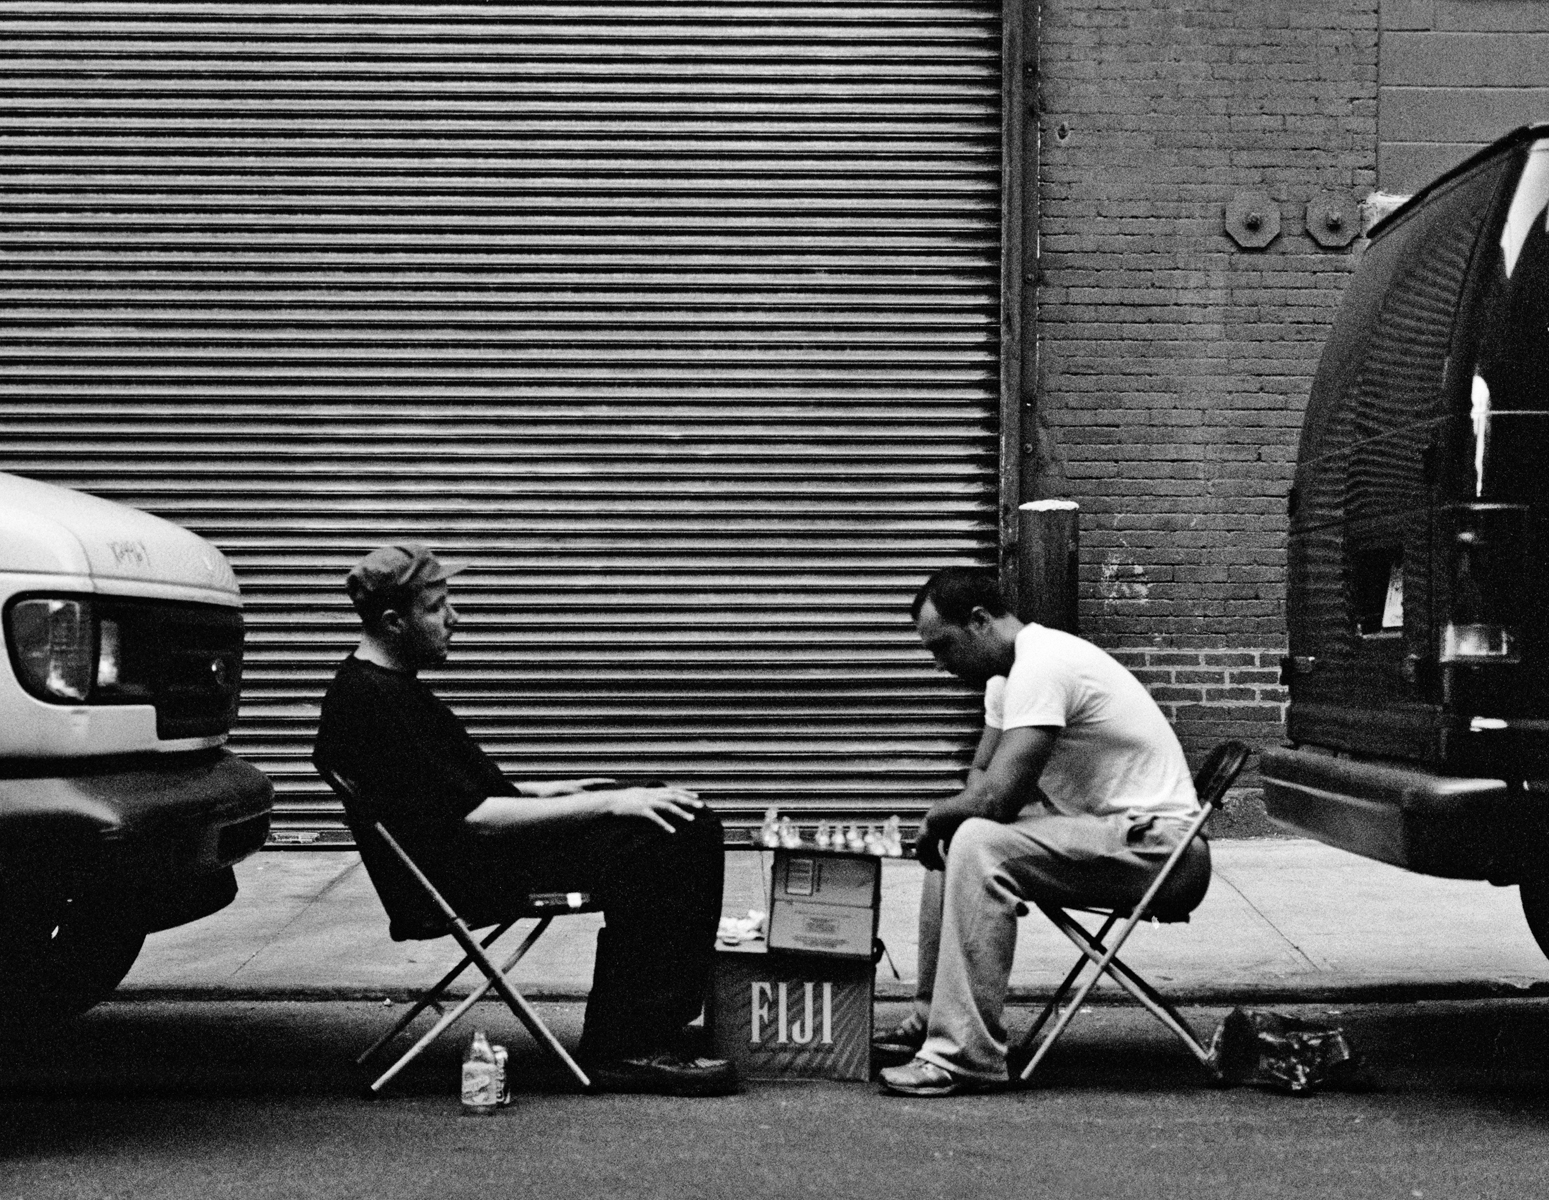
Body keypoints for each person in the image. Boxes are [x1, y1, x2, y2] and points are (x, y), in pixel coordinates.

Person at [311, 542, 737, 1096]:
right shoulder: (377, 704)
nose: (455, 618)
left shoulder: (380, 689)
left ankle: (646, 1025)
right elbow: (474, 817)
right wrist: (608, 804)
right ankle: (628, 1045)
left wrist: (563, 790)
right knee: (676, 836)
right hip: (467, 878)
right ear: (394, 622)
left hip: (474, 860)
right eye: (437, 607)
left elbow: (452, 792)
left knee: (667, 812)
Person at [876, 567, 1208, 1097]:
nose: (940, 664)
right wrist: (959, 816)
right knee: (956, 841)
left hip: (1163, 852)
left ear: (980, 622)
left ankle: (962, 1056)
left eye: (943, 646)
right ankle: (928, 1017)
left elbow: (996, 798)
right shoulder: (1006, 679)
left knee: (974, 842)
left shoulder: (1043, 664)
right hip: (1113, 834)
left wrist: (939, 815)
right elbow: (983, 775)